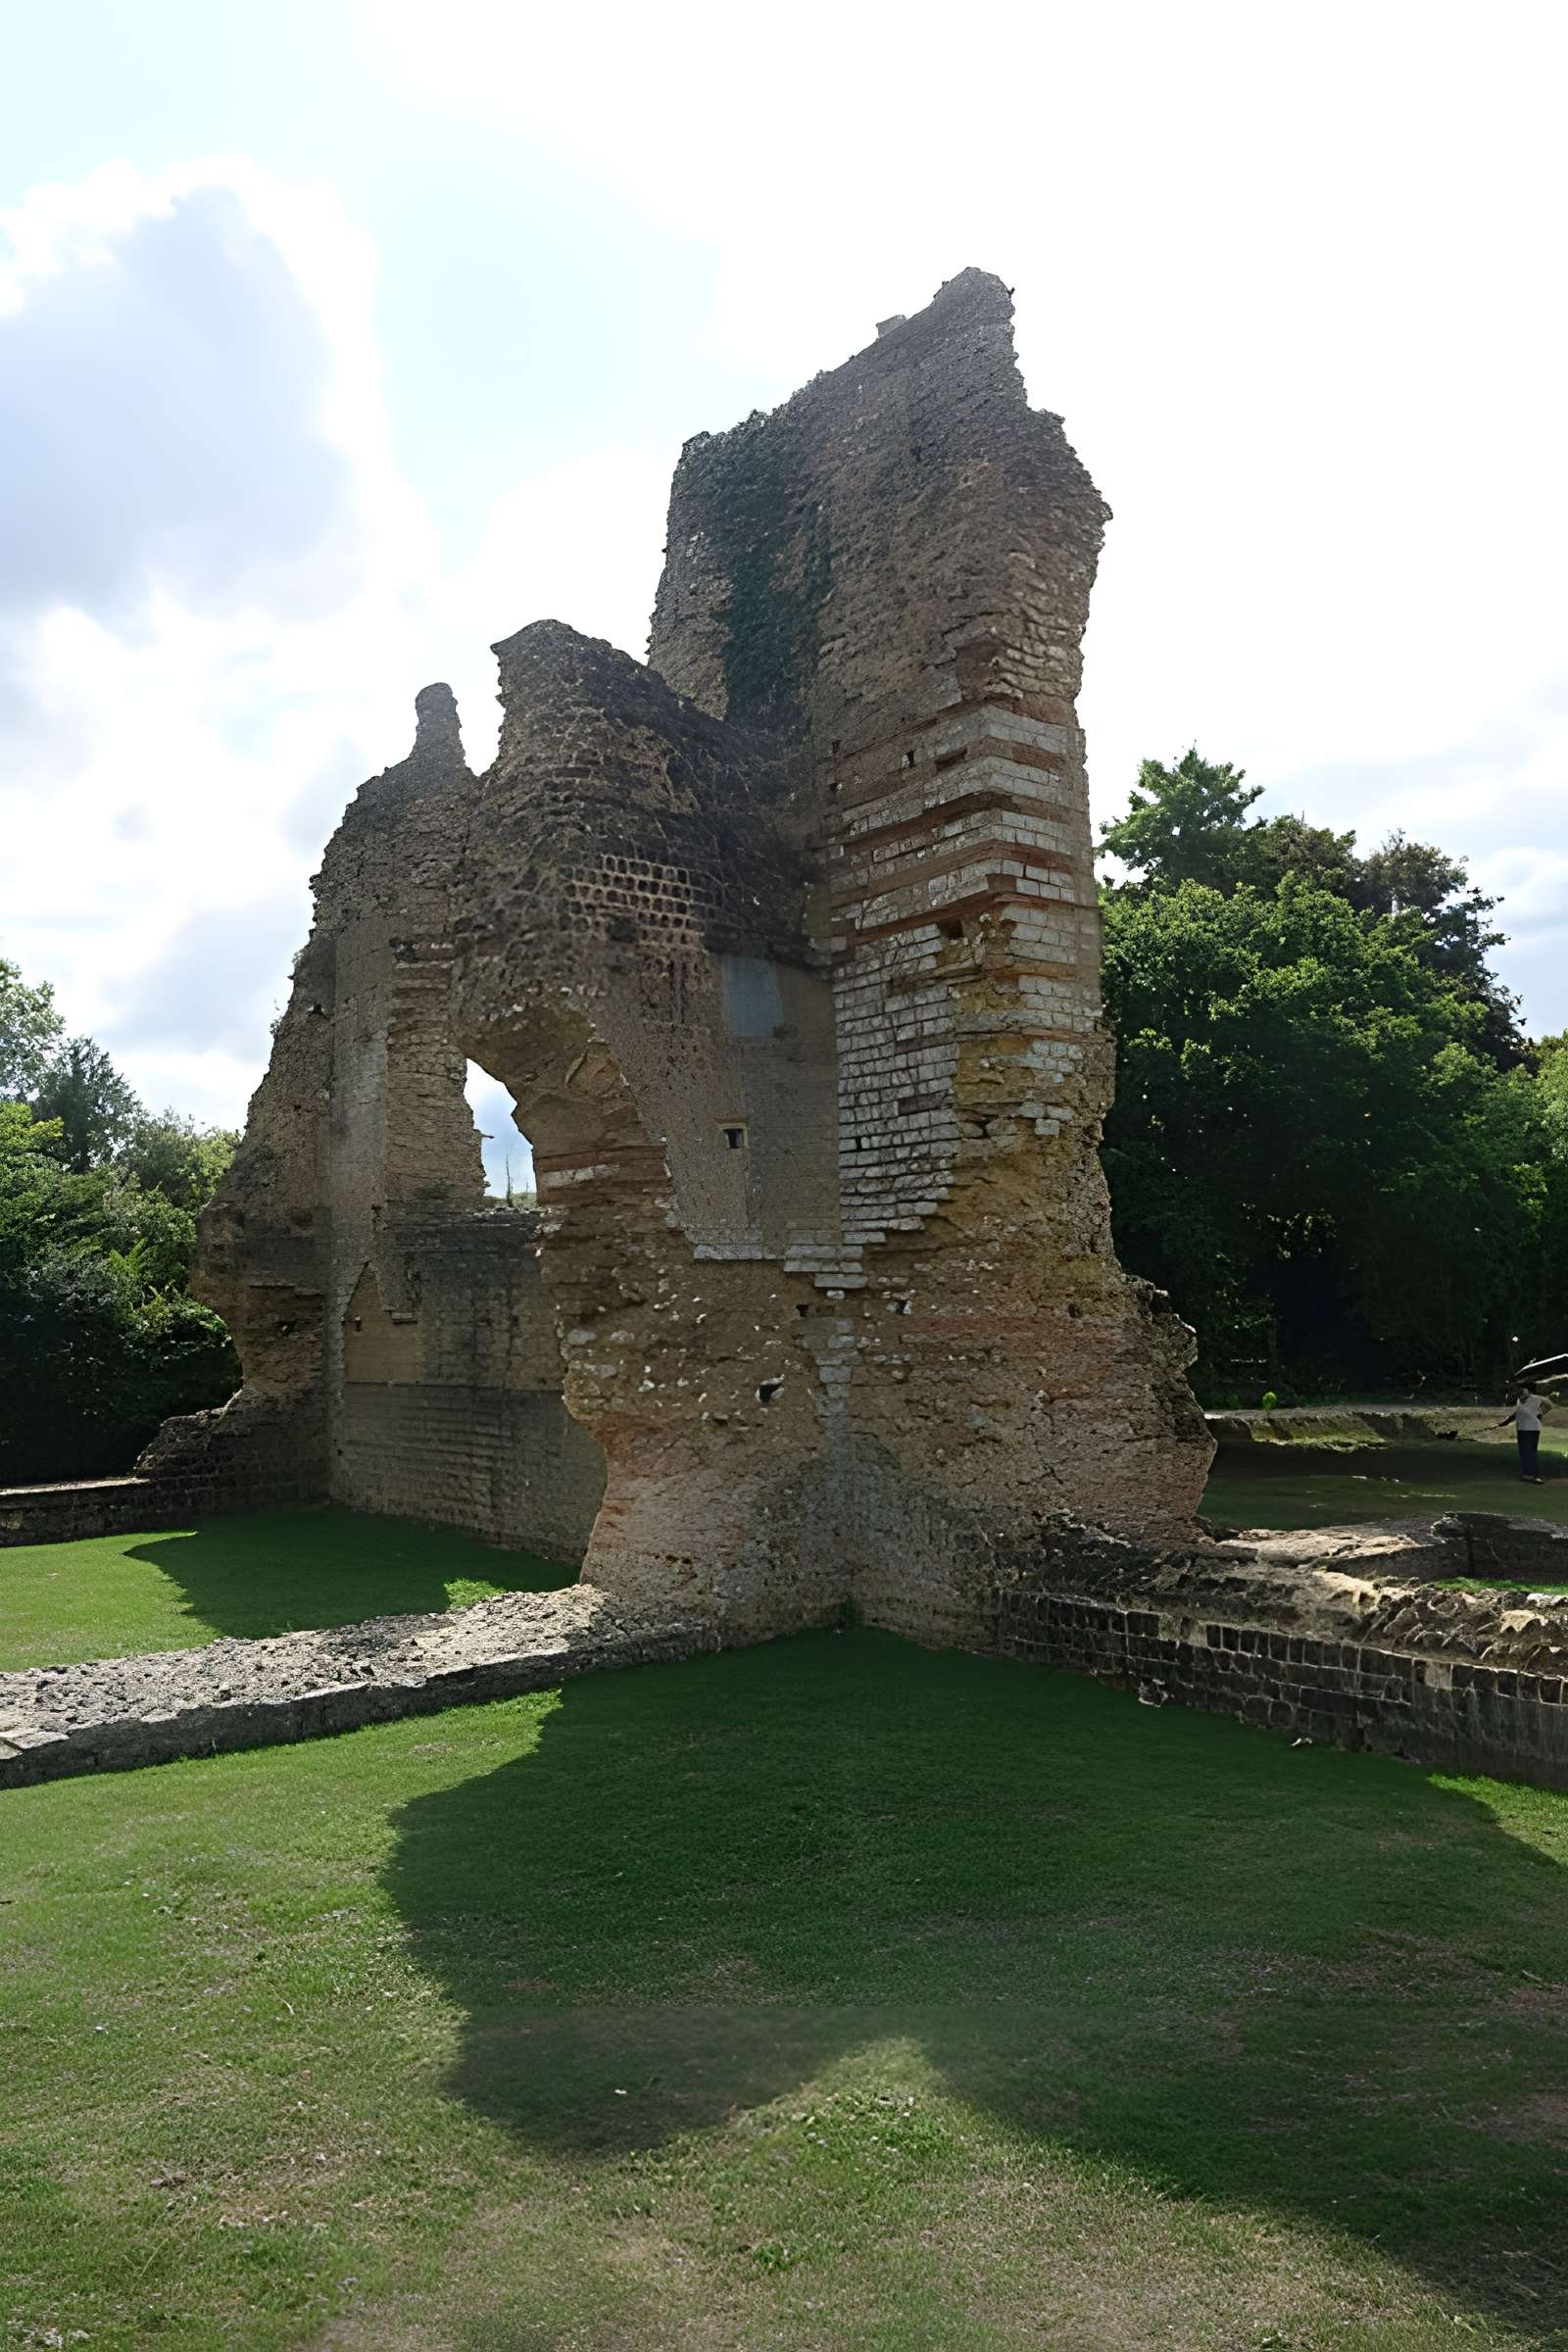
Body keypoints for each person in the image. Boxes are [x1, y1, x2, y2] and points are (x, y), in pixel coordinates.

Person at [1497, 1388, 1553, 1482]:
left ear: (1527, 1391)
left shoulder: (1537, 1398)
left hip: (1532, 1428)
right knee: (1523, 1451)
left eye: (1522, 1392)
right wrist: (1505, 1422)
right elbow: (1517, 1413)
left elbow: (1550, 1406)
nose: (1520, 1395)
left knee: (1529, 1451)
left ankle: (1531, 1474)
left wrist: (1540, 1412)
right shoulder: (1519, 1400)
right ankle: (1527, 1474)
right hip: (1521, 1428)